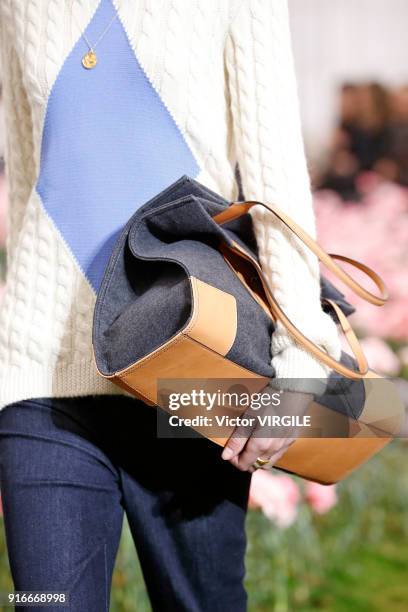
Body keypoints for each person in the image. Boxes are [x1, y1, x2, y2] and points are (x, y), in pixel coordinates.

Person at [0, 1, 341, 610]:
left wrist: (300, 364)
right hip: (40, 370)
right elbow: (31, 170)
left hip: (192, 363)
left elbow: (274, 177)